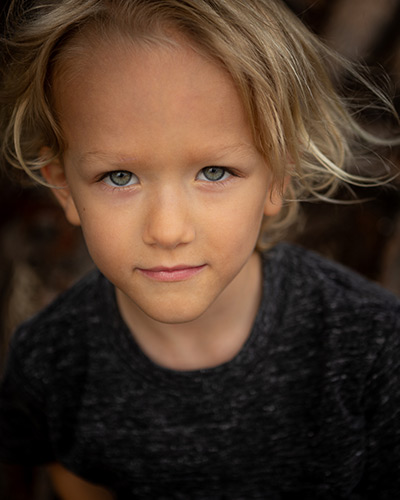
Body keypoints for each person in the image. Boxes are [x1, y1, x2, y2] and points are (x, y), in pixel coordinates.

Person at [0, 0, 399, 498]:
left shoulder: (376, 347)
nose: (168, 231)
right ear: (63, 187)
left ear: (278, 175)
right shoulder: (49, 362)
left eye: (214, 172)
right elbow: (73, 477)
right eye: (119, 176)